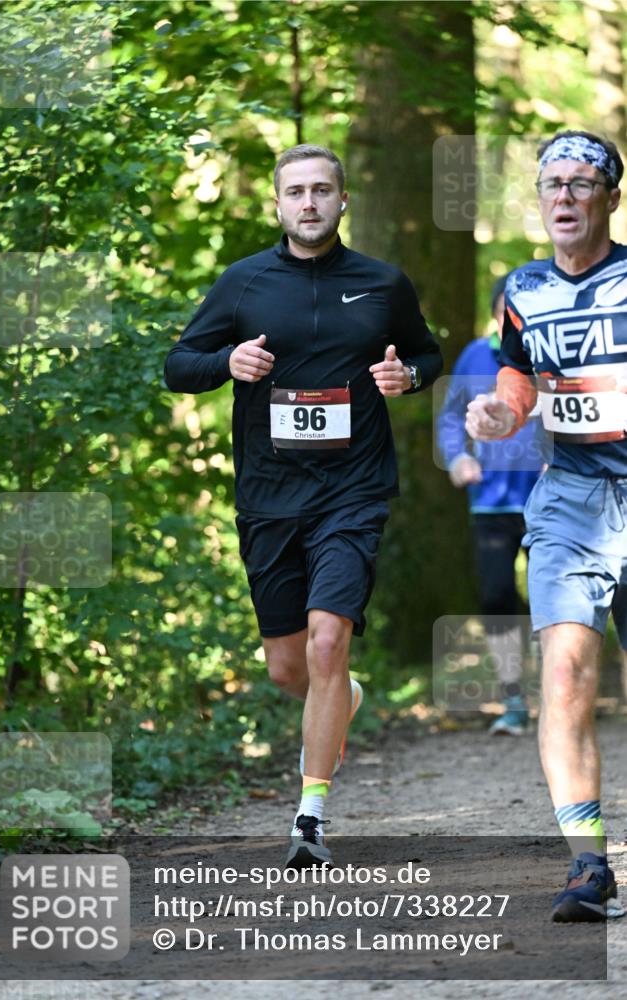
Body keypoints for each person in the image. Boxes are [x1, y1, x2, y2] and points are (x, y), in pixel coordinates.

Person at [164, 144, 442, 868]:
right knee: (290, 670)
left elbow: (427, 354)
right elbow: (178, 367)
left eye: (322, 190)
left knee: (326, 642)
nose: (309, 202)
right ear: (278, 204)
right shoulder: (244, 282)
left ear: (343, 200)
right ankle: (342, 694)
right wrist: (226, 362)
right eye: (296, 192)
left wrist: (406, 377)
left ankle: (309, 818)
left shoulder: (381, 283)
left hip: (352, 490)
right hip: (269, 495)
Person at [466, 130, 626, 922]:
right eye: (550, 184)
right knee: (562, 678)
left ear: (609, 198)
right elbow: (517, 374)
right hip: (569, 496)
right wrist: (502, 412)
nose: (563, 196)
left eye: (579, 183)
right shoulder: (521, 287)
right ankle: (588, 866)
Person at [437, 276, 542, 734]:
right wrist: (457, 457)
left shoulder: (550, 353)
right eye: (506, 314)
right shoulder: (475, 356)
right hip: (491, 504)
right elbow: (449, 417)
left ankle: (563, 696)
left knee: (556, 601)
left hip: (549, 500)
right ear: (496, 315)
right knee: (498, 597)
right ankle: (514, 699)